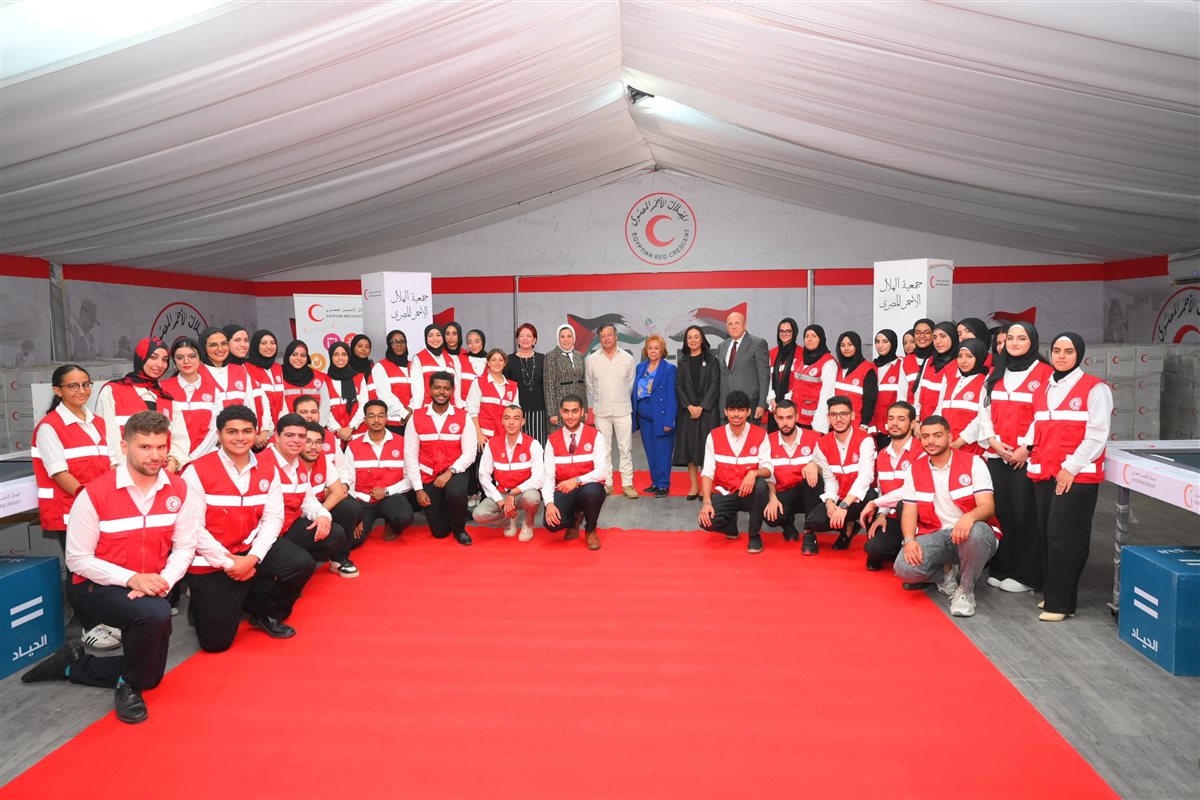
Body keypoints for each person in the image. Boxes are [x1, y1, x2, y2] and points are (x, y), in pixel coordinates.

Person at [22, 411, 198, 725]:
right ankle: (127, 685)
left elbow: (185, 547)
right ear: (124, 447)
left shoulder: (180, 489)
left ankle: (72, 665)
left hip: (150, 584)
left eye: (161, 447)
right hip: (95, 585)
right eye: (145, 447)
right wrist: (132, 579)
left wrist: (163, 582)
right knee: (155, 615)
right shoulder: (94, 494)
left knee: (152, 675)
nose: (155, 455)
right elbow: (77, 559)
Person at [182, 406, 323, 651]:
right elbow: (192, 527)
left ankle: (265, 613)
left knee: (300, 563)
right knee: (216, 643)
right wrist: (229, 563)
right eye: (232, 432)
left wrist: (252, 558)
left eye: (247, 431)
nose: (240, 437)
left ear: (256, 433)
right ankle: (204, 602)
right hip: (211, 558)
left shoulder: (268, 469)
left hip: (249, 548)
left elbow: (273, 518)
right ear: (219, 434)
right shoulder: (196, 470)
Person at [1018, 333, 1112, 622]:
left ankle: (1061, 603)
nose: (1061, 356)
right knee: (1047, 536)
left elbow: (1097, 435)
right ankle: (1052, 593)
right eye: (1057, 350)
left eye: (1068, 351)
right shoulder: (1044, 387)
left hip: (1076, 476)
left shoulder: (1095, 388)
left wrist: (1071, 467)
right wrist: (1025, 446)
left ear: (1079, 355)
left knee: (1065, 538)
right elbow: (1038, 425)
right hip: (1045, 471)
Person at [32, 365, 117, 650]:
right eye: (73, 386)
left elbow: (110, 465)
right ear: (57, 390)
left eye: (86, 384)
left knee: (100, 565)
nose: (81, 391)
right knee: (79, 569)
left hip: (99, 508)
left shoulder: (98, 423)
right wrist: (91, 502)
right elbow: (60, 473)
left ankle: (102, 619)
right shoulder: (50, 427)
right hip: (71, 511)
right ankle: (89, 626)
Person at [893, 415, 1000, 618]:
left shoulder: (973, 462)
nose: (931, 441)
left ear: (949, 437)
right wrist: (909, 540)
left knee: (977, 530)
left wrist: (969, 517)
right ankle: (946, 574)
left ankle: (965, 591)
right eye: (925, 436)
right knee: (903, 568)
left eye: (937, 435)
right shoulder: (915, 469)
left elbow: (987, 507)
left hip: (972, 536)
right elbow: (909, 511)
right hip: (938, 536)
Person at [982, 322, 1053, 594]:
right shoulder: (996, 372)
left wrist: (1027, 447)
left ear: (1032, 341)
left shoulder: (1045, 373)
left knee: (1025, 514)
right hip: (997, 454)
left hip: (1027, 457)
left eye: (1021, 338)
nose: (1014, 343)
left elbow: (1045, 414)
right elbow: (983, 411)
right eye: (1010, 338)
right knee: (1001, 512)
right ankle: (1002, 568)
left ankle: (1026, 575)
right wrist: (992, 441)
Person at [260, 412, 352, 577]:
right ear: (276, 437)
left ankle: (294, 559)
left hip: (289, 526)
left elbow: (308, 500)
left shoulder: (298, 463)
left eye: (301, 436)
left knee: (335, 533)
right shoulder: (262, 463)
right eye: (290, 435)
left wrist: (322, 515)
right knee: (303, 564)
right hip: (265, 533)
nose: (297, 440)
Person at [95, 336, 190, 472]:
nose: (160, 364)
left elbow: (179, 439)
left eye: (164, 359)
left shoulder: (165, 397)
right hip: (124, 474)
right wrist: (124, 471)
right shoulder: (113, 391)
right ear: (141, 357)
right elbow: (105, 435)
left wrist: (172, 463)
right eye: (153, 357)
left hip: (162, 475)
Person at [405, 372, 477, 545]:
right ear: (430, 390)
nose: (441, 392)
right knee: (439, 532)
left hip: (454, 471)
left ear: (452, 391)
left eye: (446, 388)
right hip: (429, 475)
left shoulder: (463, 417)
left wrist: (450, 472)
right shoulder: (416, 417)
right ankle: (455, 511)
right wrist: (418, 489)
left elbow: (470, 453)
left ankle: (459, 528)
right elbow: (410, 456)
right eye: (437, 387)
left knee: (455, 493)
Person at [698, 390, 771, 554]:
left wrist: (754, 473)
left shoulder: (760, 435)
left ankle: (754, 534)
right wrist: (706, 503)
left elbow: (768, 469)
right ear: (725, 411)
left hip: (749, 493)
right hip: (725, 492)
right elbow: (707, 472)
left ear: (748, 412)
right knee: (706, 521)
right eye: (732, 410)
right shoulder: (714, 436)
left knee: (761, 486)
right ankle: (730, 524)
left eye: (741, 410)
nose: (736, 414)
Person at [803, 395, 877, 556]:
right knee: (815, 521)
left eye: (843, 414)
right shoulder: (822, 443)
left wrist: (843, 506)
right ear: (828, 418)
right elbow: (830, 479)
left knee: (872, 497)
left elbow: (866, 478)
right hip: (839, 495)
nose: (838, 419)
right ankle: (848, 526)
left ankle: (873, 543)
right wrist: (830, 502)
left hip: (861, 497)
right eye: (834, 415)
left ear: (852, 415)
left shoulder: (865, 440)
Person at [856, 401, 921, 571]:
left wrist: (877, 504)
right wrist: (881, 514)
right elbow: (882, 491)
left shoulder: (922, 451)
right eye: (891, 418)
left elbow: (911, 491)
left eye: (901, 419)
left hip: (918, 518)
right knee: (874, 549)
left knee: (903, 503)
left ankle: (908, 547)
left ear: (912, 424)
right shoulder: (882, 454)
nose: (894, 423)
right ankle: (894, 549)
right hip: (892, 517)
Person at [342, 399, 414, 549]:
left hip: (390, 496)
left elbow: (410, 478)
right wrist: (355, 514)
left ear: (386, 418)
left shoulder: (402, 443)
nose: (376, 420)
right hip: (363, 501)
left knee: (404, 516)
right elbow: (348, 480)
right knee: (353, 542)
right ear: (365, 419)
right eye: (371, 416)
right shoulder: (353, 446)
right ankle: (366, 523)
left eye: (380, 416)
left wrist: (386, 491)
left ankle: (391, 523)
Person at [542, 394, 610, 550]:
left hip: (588, 487)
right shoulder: (552, 440)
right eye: (566, 411)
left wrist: (576, 481)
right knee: (551, 524)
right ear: (561, 412)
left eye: (574, 411)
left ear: (582, 412)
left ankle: (590, 530)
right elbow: (548, 477)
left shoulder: (595, 435)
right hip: (564, 490)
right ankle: (573, 521)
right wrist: (549, 503)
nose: (570, 416)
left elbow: (602, 471)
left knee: (593, 492)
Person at [474, 405, 544, 541]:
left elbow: (539, 478)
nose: (511, 422)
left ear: (522, 422)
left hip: (523, 493)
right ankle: (510, 518)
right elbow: (483, 476)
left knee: (533, 498)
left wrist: (513, 493)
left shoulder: (533, 444)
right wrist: (501, 502)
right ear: (502, 421)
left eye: (516, 418)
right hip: (502, 493)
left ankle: (528, 522)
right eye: (507, 418)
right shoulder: (492, 444)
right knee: (479, 514)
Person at [585, 323, 638, 498]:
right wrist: (601, 397)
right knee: (604, 449)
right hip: (601, 411)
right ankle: (607, 483)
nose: (606, 339)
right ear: (599, 339)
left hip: (623, 409)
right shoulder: (592, 360)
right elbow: (590, 384)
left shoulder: (627, 359)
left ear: (616, 337)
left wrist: (620, 396)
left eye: (609, 335)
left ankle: (627, 484)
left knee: (625, 448)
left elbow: (630, 384)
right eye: (603, 336)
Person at [762, 400, 822, 543]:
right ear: (775, 418)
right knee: (771, 516)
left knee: (814, 477)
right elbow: (769, 476)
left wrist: (815, 465)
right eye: (781, 418)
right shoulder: (767, 441)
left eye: (789, 417)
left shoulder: (814, 438)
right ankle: (788, 524)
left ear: (797, 417)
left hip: (808, 493)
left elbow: (825, 469)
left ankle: (809, 532)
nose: (785, 423)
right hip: (783, 494)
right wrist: (772, 497)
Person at [672, 325, 720, 501]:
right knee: (690, 450)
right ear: (686, 341)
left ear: (702, 339)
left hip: (707, 412)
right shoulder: (682, 361)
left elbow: (715, 384)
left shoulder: (712, 360)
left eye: (696, 337)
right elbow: (678, 386)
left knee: (705, 451)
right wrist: (689, 406)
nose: (692, 340)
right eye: (689, 337)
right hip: (688, 413)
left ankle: (705, 488)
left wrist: (701, 407)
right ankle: (693, 486)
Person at [300, 419, 362, 552]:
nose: (313, 446)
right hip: (295, 517)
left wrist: (321, 513)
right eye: (308, 441)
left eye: (318, 442)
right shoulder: (291, 462)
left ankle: (340, 558)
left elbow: (339, 492)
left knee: (352, 509)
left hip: (316, 508)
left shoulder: (322, 458)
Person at [631, 334, 677, 497]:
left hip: (661, 415)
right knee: (650, 451)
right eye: (650, 348)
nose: (653, 351)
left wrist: (669, 420)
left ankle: (663, 484)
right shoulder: (640, 367)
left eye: (657, 348)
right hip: (643, 416)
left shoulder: (669, 369)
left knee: (663, 451)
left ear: (662, 350)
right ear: (646, 350)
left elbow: (672, 396)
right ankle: (655, 482)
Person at [162, 338, 219, 461]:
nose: (186, 361)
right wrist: (176, 458)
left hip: (203, 458)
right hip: (171, 460)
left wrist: (192, 459)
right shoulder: (162, 389)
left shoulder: (214, 391)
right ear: (174, 362)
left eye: (192, 356)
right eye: (180, 357)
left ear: (200, 359)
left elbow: (214, 430)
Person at [935, 338, 991, 457]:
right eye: (960, 356)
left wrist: (959, 442)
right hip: (946, 446)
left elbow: (982, 418)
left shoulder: (986, 383)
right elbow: (939, 412)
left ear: (979, 357)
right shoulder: (951, 382)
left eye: (969, 356)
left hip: (971, 449)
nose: (963, 361)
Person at [715, 311, 770, 424]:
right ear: (726, 327)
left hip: (749, 406)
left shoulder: (758, 343)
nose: (734, 326)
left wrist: (762, 404)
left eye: (737, 323)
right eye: (730, 324)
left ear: (744, 325)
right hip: (726, 408)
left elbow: (764, 377)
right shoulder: (722, 346)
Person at [785, 324, 836, 433]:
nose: (809, 339)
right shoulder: (801, 359)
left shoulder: (828, 363)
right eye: (806, 336)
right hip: (796, 418)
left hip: (813, 423)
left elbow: (827, 395)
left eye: (814, 336)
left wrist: (819, 426)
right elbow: (794, 386)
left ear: (821, 339)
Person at [468, 349, 520, 448]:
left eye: (500, 360)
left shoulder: (513, 386)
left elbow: (515, 414)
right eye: (493, 360)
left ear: (504, 363)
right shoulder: (478, 382)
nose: (497, 363)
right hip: (484, 438)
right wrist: (478, 434)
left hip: (505, 438)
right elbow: (472, 411)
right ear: (488, 363)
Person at [505, 323, 548, 442]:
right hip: (516, 412)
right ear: (517, 340)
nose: (525, 339)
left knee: (538, 445)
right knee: (518, 444)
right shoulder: (509, 360)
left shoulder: (543, 359)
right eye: (522, 336)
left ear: (534, 340)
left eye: (529, 336)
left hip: (539, 411)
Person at [198, 326, 255, 414]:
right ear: (203, 348)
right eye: (213, 345)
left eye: (224, 344)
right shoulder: (197, 373)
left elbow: (250, 407)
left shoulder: (240, 370)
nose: (220, 349)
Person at [544, 324, 588, 435]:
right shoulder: (551, 356)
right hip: (559, 408)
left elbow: (583, 384)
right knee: (560, 440)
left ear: (574, 338)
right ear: (558, 338)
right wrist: (552, 413)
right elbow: (548, 385)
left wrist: (585, 409)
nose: (566, 340)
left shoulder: (579, 356)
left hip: (577, 407)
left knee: (577, 438)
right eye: (562, 337)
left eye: (569, 336)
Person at [245, 329, 283, 446]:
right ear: (256, 345)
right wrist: (261, 433)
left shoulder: (277, 368)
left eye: (272, 343)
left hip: (276, 434)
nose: (269, 346)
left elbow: (283, 402)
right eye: (264, 343)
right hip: (258, 435)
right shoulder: (246, 367)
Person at [833, 331, 878, 430]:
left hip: (856, 424)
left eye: (850, 344)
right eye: (842, 345)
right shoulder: (836, 367)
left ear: (857, 346)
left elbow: (869, 400)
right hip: (836, 423)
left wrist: (864, 424)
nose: (846, 348)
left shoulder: (867, 369)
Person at [371, 329, 414, 434]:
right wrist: (405, 414)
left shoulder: (413, 365)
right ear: (389, 344)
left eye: (402, 341)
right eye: (394, 342)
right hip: (392, 424)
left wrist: (411, 409)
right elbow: (385, 396)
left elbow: (418, 391)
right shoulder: (380, 367)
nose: (399, 345)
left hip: (413, 420)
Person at [870, 329, 907, 448]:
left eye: (885, 341)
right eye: (877, 341)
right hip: (874, 427)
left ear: (893, 343)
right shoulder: (871, 367)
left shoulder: (902, 365)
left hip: (893, 427)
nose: (880, 345)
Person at [913, 322, 958, 418]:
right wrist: (916, 416)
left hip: (939, 422)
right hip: (921, 421)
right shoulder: (930, 361)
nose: (938, 341)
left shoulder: (958, 365)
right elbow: (918, 391)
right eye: (934, 337)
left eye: (943, 336)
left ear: (953, 337)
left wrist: (932, 423)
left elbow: (945, 402)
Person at [280, 340, 331, 423]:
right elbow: (279, 405)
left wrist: (318, 425)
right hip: (289, 425)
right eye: (294, 355)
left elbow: (325, 404)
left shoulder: (318, 377)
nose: (299, 358)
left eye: (303, 355)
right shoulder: (278, 376)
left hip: (314, 425)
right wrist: (289, 425)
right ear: (288, 355)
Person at [324, 341, 365, 443]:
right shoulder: (324, 380)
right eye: (336, 354)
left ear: (348, 356)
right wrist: (338, 430)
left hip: (357, 433)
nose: (340, 358)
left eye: (344, 354)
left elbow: (364, 406)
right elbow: (324, 409)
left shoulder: (359, 378)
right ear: (331, 357)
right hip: (335, 435)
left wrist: (350, 427)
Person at [764, 317, 800, 432]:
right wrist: (772, 400)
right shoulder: (772, 353)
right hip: (774, 407)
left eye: (788, 331)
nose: (784, 334)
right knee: (774, 440)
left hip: (792, 408)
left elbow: (800, 382)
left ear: (794, 333)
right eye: (781, 331)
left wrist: (786, 402)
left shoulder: (802, 353)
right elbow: (768, 379)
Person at [411, 324, 459, 409]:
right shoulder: (418, 358)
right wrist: (416, 410)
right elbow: (417, 389)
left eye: (438, 335)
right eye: (430, 335)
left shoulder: (451, 358)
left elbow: (456, 387)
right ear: (426, 338)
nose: (435, 339)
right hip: (428, 408)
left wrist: (458, 407)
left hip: (450, 408)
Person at [443, 322, 478, 407]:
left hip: (464, 405)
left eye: (454, 334)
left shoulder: (467, 355)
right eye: (447, 334)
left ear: (459, 335)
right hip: (443, 402)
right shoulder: (438, 355)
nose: (451, 337)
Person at [900, 319, 934, 402]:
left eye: (927, 332)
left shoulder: (940, 360)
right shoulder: (907, 361)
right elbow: (902, 393)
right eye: (918, 333)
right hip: (910, 408)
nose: (922, 336)